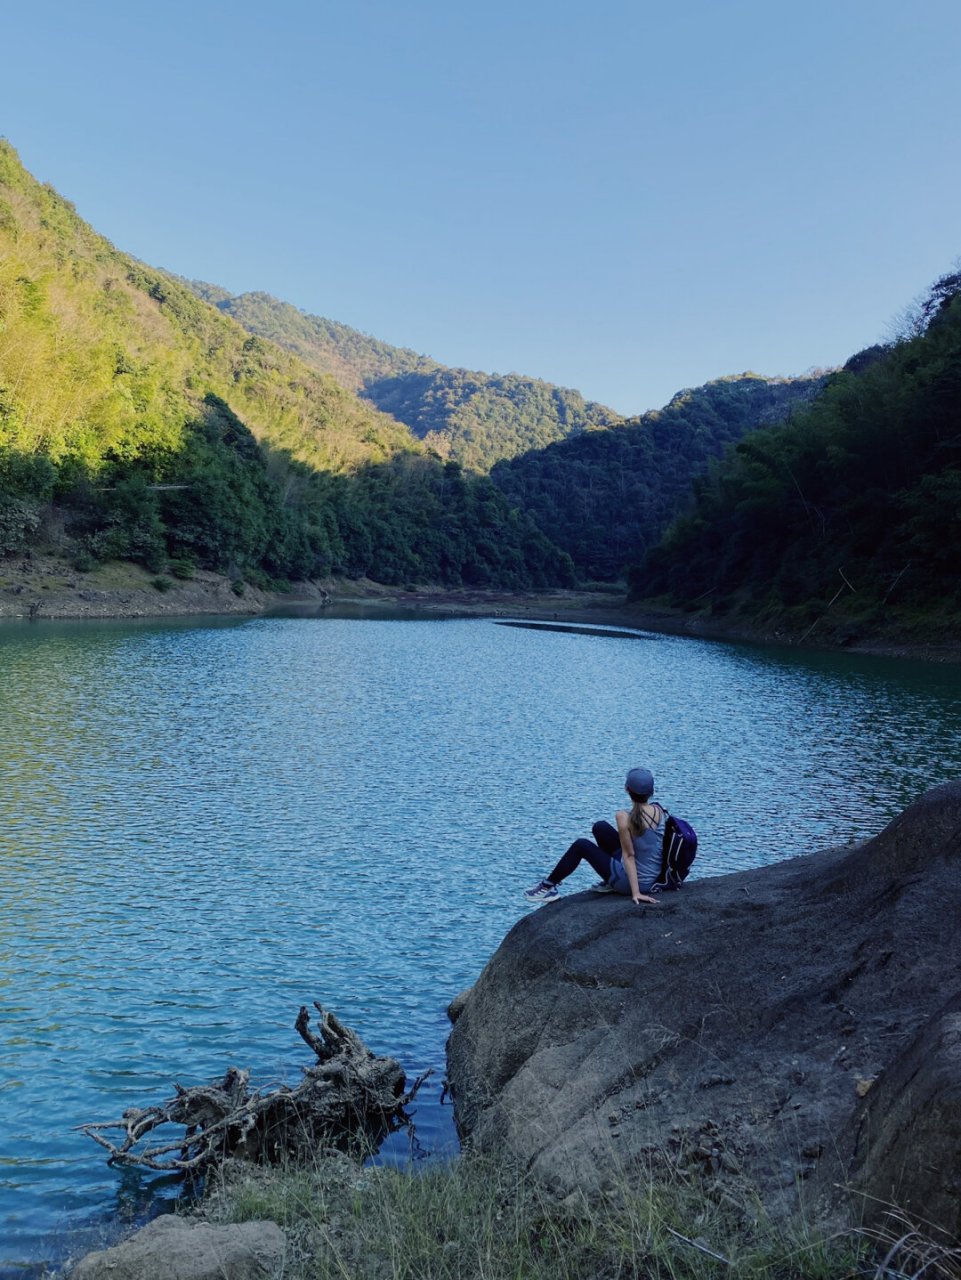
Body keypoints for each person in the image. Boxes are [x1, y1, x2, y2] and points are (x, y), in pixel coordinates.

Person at [524, 767, 664, 905]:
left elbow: (629, 855)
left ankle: (548, 887)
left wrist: (636, 893)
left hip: (632, 883)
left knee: (581, 845)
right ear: (651, 792)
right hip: (652, 877)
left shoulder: (624, 817)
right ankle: (609, 882)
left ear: (627, 789)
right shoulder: (660, 811)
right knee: (600, 827)